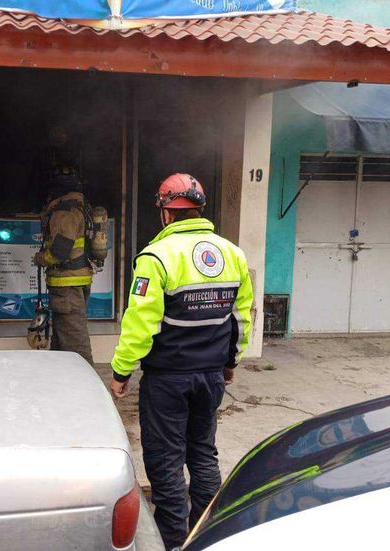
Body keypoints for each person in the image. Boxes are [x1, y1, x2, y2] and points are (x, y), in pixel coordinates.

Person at [108, 173, 253, 550]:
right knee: (203, 451)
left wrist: (122, 371)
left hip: (168, 379)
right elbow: (241, 318)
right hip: (210, 377)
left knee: (166, 460)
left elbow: (140, 323)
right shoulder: (232, 254)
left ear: (166, 214)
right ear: (200, 209)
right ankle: (207, 534)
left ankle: (172, 541)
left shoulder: (156, 257)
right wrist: (231, 361)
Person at [32, 166, 95, 366]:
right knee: (62, 336)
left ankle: (87, 387)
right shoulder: (81, 207)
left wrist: (41, 259)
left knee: (76, 343)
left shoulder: (64, 212)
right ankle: (61, 379)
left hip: (66, 284)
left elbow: (59, 251)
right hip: (76, 280)